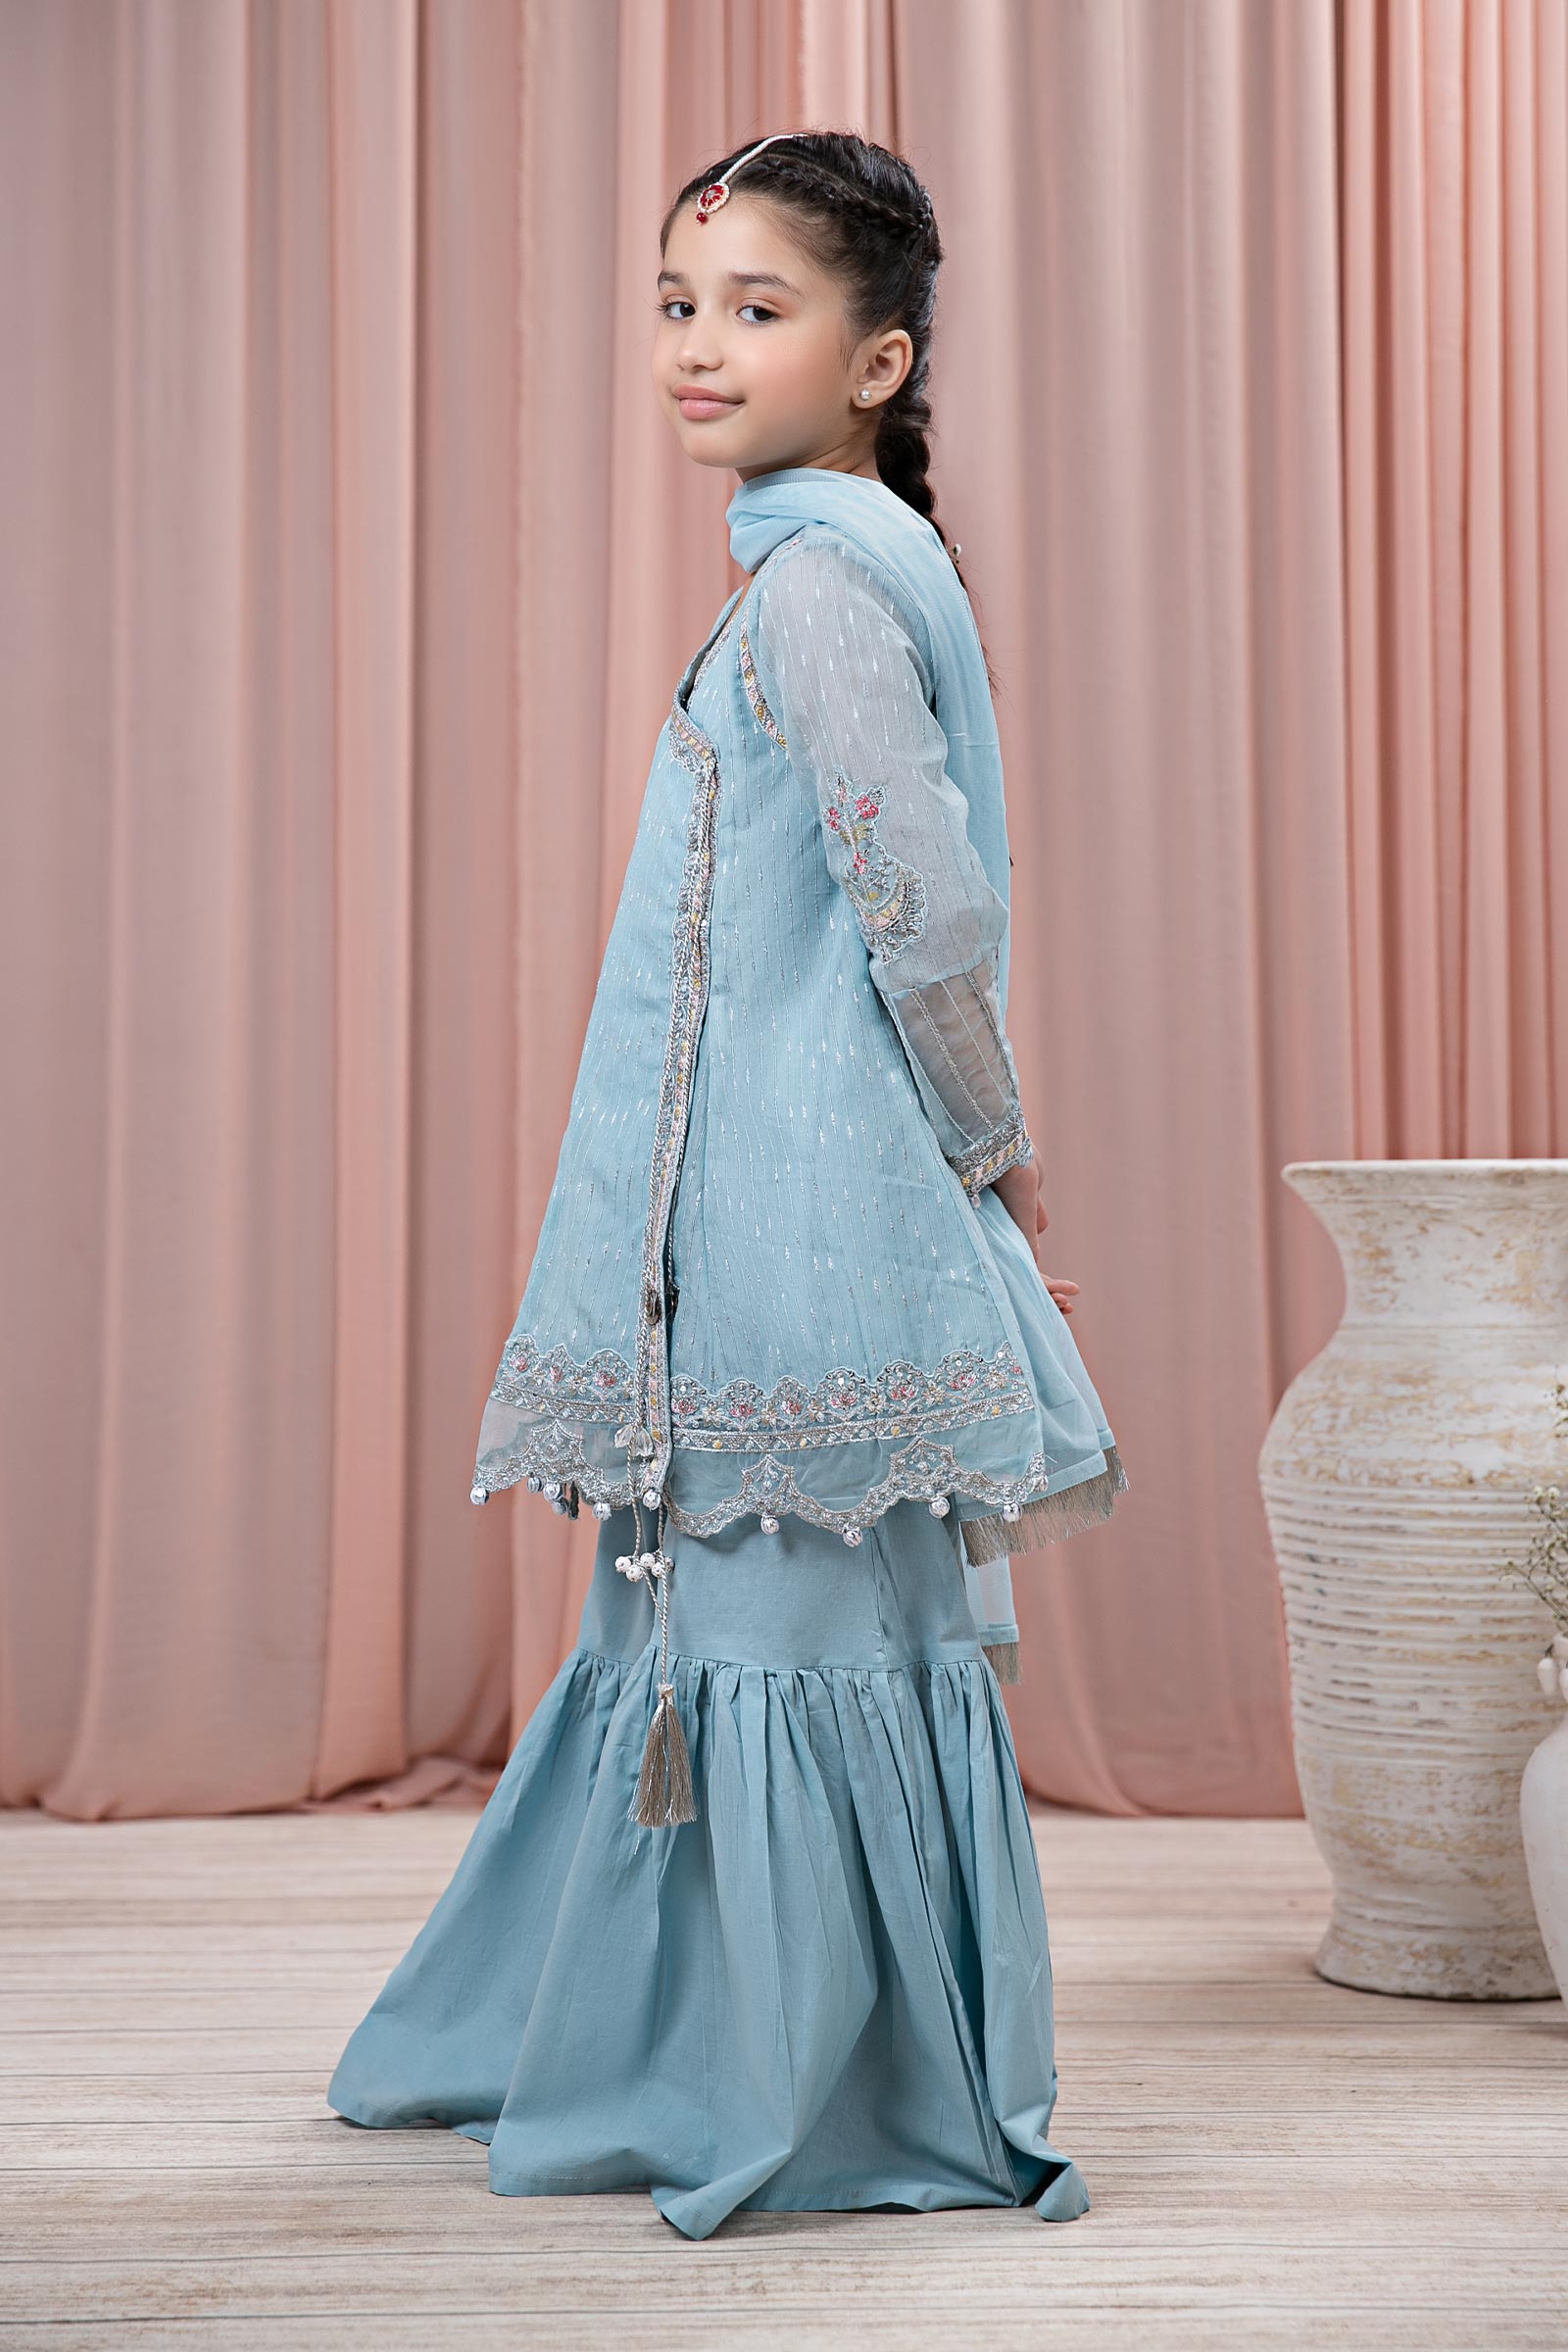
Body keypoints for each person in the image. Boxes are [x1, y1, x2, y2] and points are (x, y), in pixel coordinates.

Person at [327, 125, 1127, 2241]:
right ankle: (709, 2037)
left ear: (875, 360)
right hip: (782, 1210)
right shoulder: (832, 568)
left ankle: (785, 2081)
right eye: (679, 305)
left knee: (773, 1634)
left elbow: (920, 905)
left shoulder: (823, 591)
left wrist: (988, 1141)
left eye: (755, 309)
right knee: (753, 1632)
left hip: (801, 1225)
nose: (696, 346)